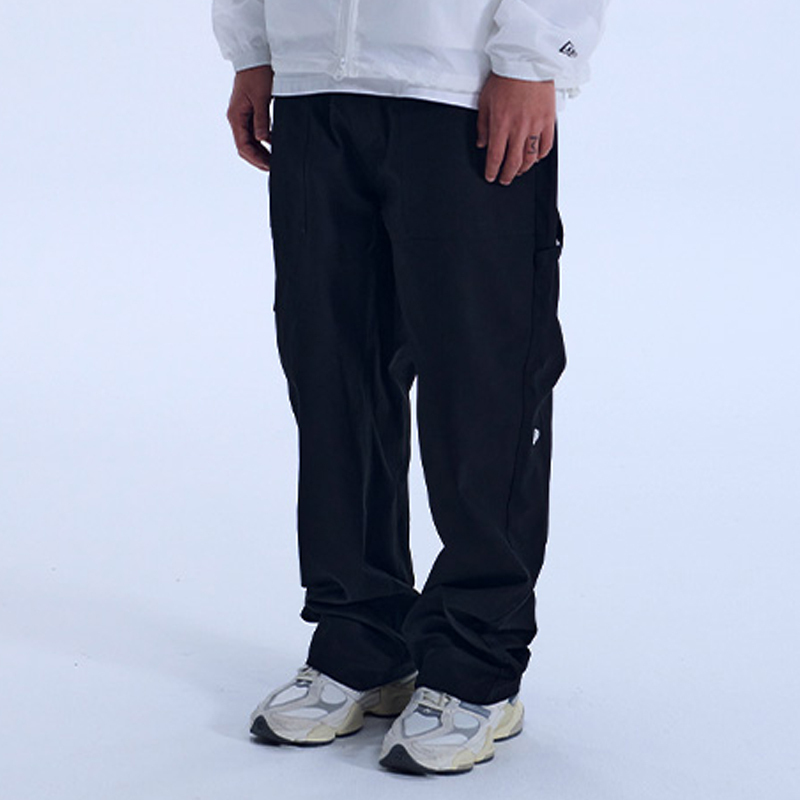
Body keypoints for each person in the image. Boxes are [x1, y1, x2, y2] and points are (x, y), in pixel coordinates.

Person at [212, 0, 609, 775]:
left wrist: (534, 58)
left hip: (457, 83)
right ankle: (361, 638)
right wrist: (254, 47)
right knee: (333, 375)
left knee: (481, 382)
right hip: (313, 81)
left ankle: (477, 665)